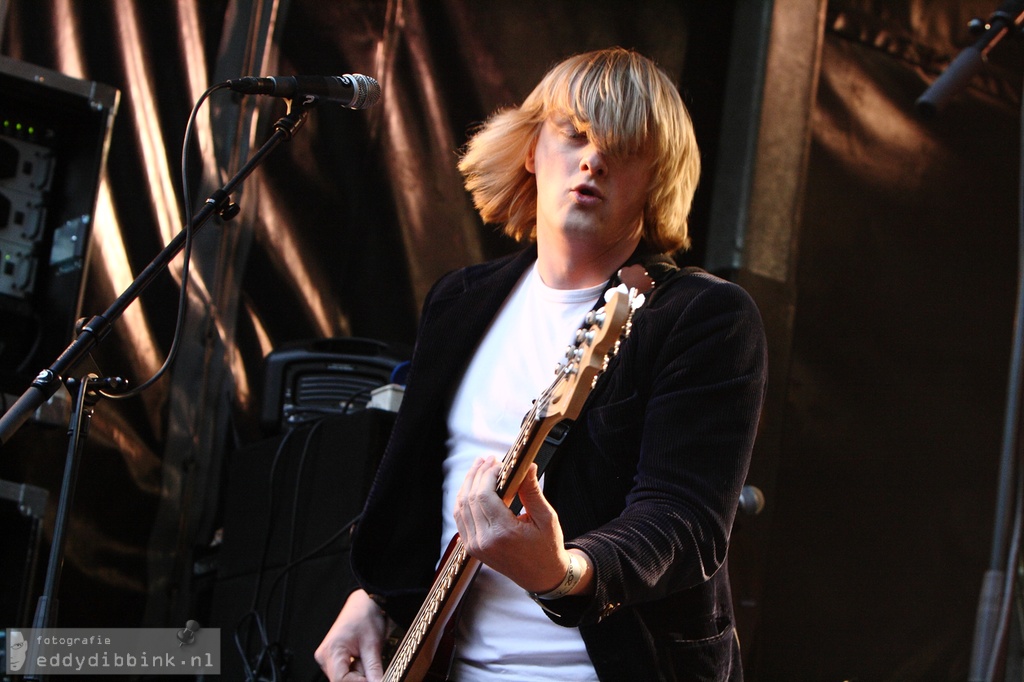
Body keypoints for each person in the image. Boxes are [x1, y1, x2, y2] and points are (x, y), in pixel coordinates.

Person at [315, 47, 767, 681]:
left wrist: (562, 574)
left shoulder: (701, 317)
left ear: (656, 177)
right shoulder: (461, 301)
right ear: (531, 150)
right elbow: (416, 484)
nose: (594, 158)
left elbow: (684, 521)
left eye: (623, 145)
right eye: (575, 133)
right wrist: (374, 597)